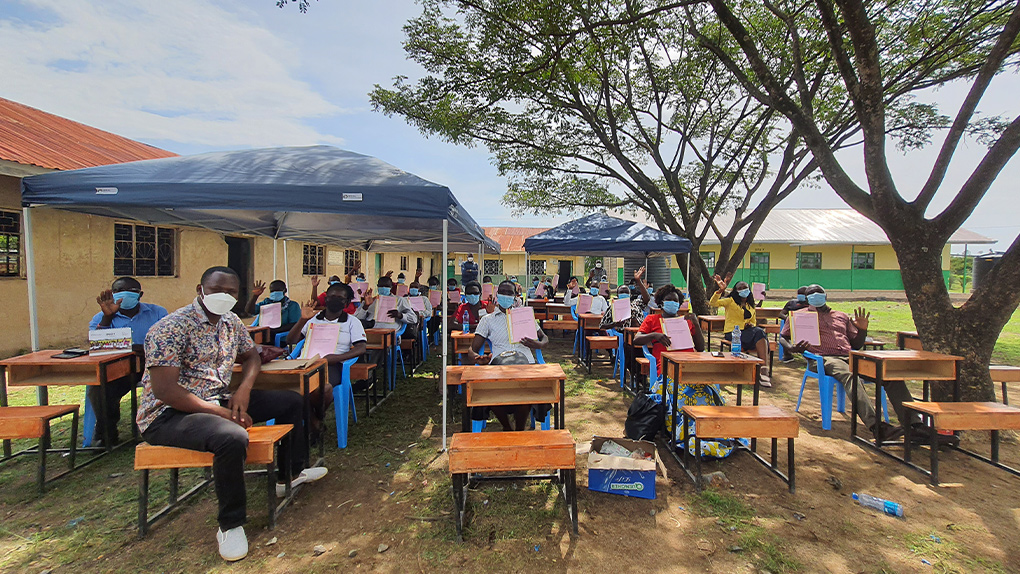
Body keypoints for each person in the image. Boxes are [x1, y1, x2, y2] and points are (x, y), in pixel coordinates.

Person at [137, 266, 326, 562]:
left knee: (291, 401)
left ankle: (289, 475)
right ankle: (231, 523)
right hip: (168, 414)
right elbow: (165, 390)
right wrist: (219, 412)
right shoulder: (170, 328)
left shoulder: (230, 322)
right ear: (200, 290)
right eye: (217, 290)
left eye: (231, 292)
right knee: (232, 437)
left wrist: (244, 390)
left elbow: (251, 356)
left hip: (218, 400)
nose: (224, 296)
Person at [781, 285, 935, 444]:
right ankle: (877, 426)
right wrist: (791, 348)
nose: (815, 296)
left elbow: (856, 344)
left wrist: (862, 330)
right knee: (850, 376)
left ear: (826, 296)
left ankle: (915, 425)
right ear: (807, 299)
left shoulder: (840, 316)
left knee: (888, 374)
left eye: (818, 293)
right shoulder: (799, 316)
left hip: (850, 356)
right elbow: (783, 337)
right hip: (823, 358)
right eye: (811, 294)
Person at [633, 285, 749, 460]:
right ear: (661, 302)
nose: (673, 303)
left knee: (707, 392)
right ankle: (687, 432)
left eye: (676, 301)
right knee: (682, 396)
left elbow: (700, 348)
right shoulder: (652, 319)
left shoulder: (686, 321)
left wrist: (695, 323)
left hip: (691, 369)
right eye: (669, 300)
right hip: (668, 371)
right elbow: (637, 339)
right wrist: (654, 336)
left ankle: (713, 430)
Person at [88, 277, 168, 446]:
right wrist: (107, 317)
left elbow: (167, 341)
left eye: (130, 291)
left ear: (140, 295)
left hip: (151, 366)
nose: (123, 294)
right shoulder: (100, 318)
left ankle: (160, 428)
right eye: (118, 291)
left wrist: (139, 348)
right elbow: (97, 346)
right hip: (119, 368)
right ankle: (106, 434)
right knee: (99, 389)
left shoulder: (157, 313)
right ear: (112, 294)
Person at [286, 283, 367, 440]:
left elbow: (361, 348)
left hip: (332, 365)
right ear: (326, 298)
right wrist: (302, 320)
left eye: (340, 298)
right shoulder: (313, 319)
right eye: (331, 296)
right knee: (294, 388)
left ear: (347, 302)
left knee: (324, 388)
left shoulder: (352, 322)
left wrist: (336, 358)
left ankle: (314, 417)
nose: (334, 300)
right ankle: (315, 422)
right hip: (305, 363)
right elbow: (291, 340)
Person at [468, 281, 550, 430]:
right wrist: (477, 358)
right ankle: (507, 427)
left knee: (528, 390)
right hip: (499, 365)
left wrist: (538, 345)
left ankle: (519, 429)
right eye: (502, 292)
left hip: (525, 364)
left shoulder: (524, 317)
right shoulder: (488, 320)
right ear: (497, 295)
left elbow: (545, 338)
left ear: (515, 296)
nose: (505, 296)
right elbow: (472, 350)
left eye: (509, 293)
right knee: (489, 391)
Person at [709, 275, 773, 387]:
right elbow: (713, 303)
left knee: (759, 332)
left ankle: (763, 370)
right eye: (740, 288)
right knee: (760, 333)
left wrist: (750, 325)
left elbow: (753, 321)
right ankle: (763, 370)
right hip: (733, 333)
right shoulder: (730, 301)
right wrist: (720, 290)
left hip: (747, 332)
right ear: (736, 291)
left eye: (745, 288)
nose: (743, 290)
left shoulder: (750, 305)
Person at [777, 286, 810, 362]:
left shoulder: (811, 305)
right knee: (784, 337)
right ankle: (787, 355)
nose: (801, 295)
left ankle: (809, 356)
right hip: (792, 328)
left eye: (803, 294)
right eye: (799, 294)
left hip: (807, 328)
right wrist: (790, 319)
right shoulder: (791, 303)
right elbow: (781, 314)